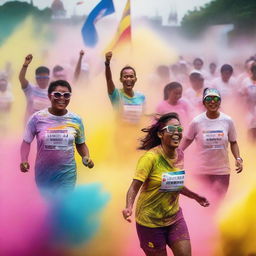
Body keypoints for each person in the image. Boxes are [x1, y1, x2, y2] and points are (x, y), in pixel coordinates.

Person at [122, 112, 209, 256]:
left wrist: (195, 196)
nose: (176, 133)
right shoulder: (150, 158)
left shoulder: (180, 154)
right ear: (160, 134)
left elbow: (174, 183)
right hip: (150, 223)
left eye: (179, 129)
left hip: (174, 218)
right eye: (171, 129)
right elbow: (134, 187)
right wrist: (129, 207)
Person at [20, 80, 94, 196]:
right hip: (44, 173)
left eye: (66, 95)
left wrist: (86, 157)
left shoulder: (76, 120)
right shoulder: (37, 118)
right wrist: (24, 159)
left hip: (67, 174)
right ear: (50, 96)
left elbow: (80, 144)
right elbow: (26, 142)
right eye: (57, 94)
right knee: (47, 205)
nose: (62, 98)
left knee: (63, 205)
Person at [181, 88, 243, 198]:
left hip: (221, 170)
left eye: (216, 99)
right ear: (203, 102)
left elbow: (233, 142)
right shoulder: (197, 121)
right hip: (201, 170)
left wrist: (238, 158)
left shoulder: (227, 120)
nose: (212, 102)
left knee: (218, 201)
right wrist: (176, 153)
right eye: (208, 99)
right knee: (203, 201)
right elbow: (187, 139)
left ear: (220, 102)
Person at [105, 51, 145, 124]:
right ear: (121, 79)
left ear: (135, 79)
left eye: (131, 76)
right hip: (120, 134)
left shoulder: (141, 97)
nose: (128, 79)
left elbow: (142, 117)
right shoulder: (116, 95)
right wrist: (107, 64)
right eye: (125, 77)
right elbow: (109, 80)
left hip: (136, 133)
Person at [19, 54, 50, 121]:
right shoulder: (30, 89)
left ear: (48, 78)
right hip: (30, 126)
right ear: (36, 79)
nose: (42, 80)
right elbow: (21, 78)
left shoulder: (52, 92)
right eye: (39, 78)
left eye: (45, 78)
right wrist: (25, 65)